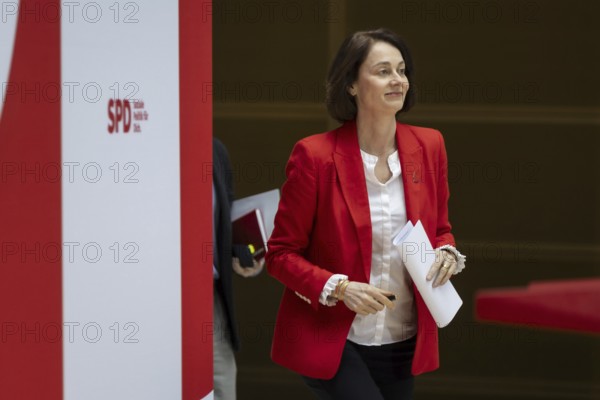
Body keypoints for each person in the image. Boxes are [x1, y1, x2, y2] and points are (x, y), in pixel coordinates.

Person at [265, 28, 466, 399]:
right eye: (383, 70)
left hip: (403, 337)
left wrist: (447, 254)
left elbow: (441, 230)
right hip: (337, 339)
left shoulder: (430, 146)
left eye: (402, 71)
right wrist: (340, 287)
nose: (398, 80)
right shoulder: (315, 156)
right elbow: (280, 255)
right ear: (352, 85)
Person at [212, 138, 263, 400]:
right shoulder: (142, 148)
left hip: (208, 299)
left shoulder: (215, 150)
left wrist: (242, 252)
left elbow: (222, 220)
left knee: (221, 386)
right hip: (153, 294)